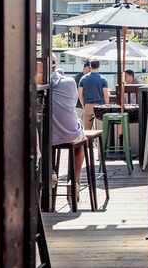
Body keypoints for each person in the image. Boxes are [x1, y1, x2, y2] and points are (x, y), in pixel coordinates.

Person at [51, 59, 86, 200]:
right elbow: (72, 102)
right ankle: (74, 180)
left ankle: (50, 171)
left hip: (44, 136)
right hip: (69, 133)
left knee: (43, 142)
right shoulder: (70, 82)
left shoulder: (35, 84)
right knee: (80, 142)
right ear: (56, 65)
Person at [78, 58, 110, 130]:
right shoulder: (103, 79)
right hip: (100, 106)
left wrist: (83, 104)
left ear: (90, 66)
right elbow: (105, 94)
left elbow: (80, 94)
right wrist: (107, 105)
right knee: (100, 130)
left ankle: (88, 141)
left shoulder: (83, 78)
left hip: (88, 105)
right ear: (99, 66)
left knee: (87, 130)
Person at [73, 60, 91, 127]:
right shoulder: (77, 77)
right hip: (78, 105)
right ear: (84, 67)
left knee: (86, 127)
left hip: (87, 105)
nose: (90, 70)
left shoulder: (89, 77)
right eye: (89, 67)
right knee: (77, 125)